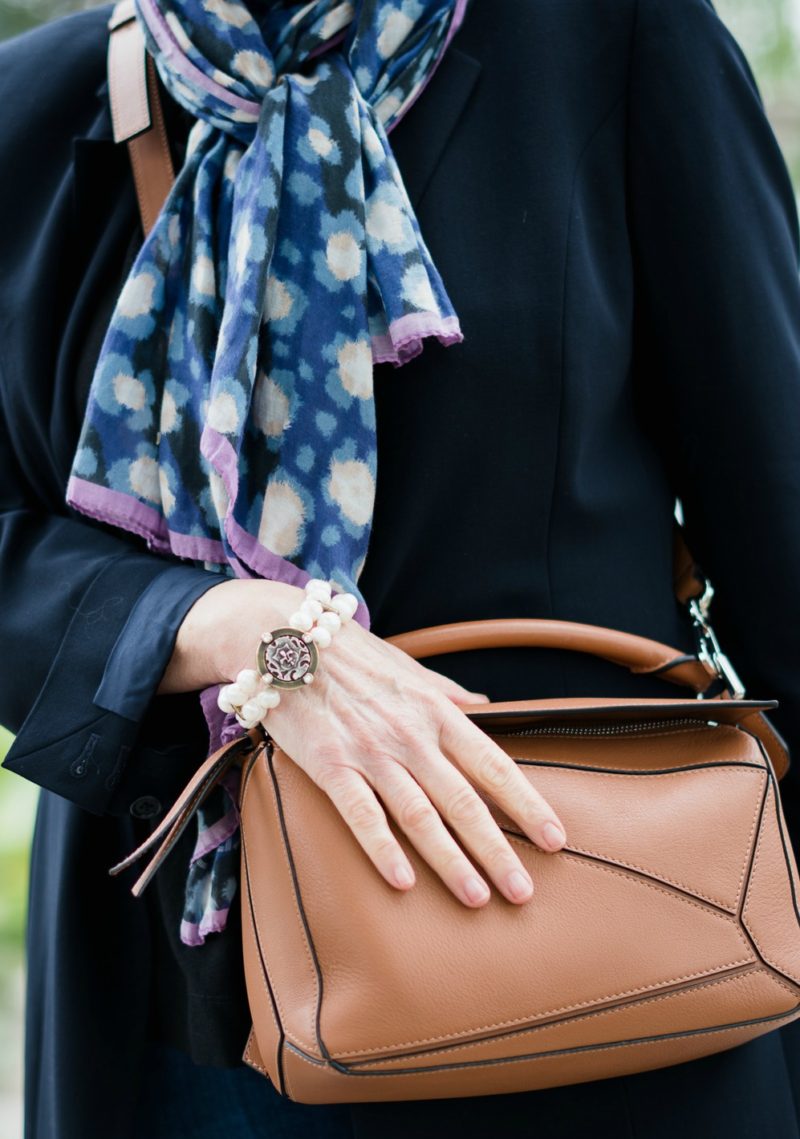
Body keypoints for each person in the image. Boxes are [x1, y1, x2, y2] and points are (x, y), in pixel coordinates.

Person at [1, 0, 799, 1136]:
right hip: (186, 1024)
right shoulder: (34, 108)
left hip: (594, 981)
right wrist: (247, 633)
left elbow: (773, 515)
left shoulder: (612, 38)